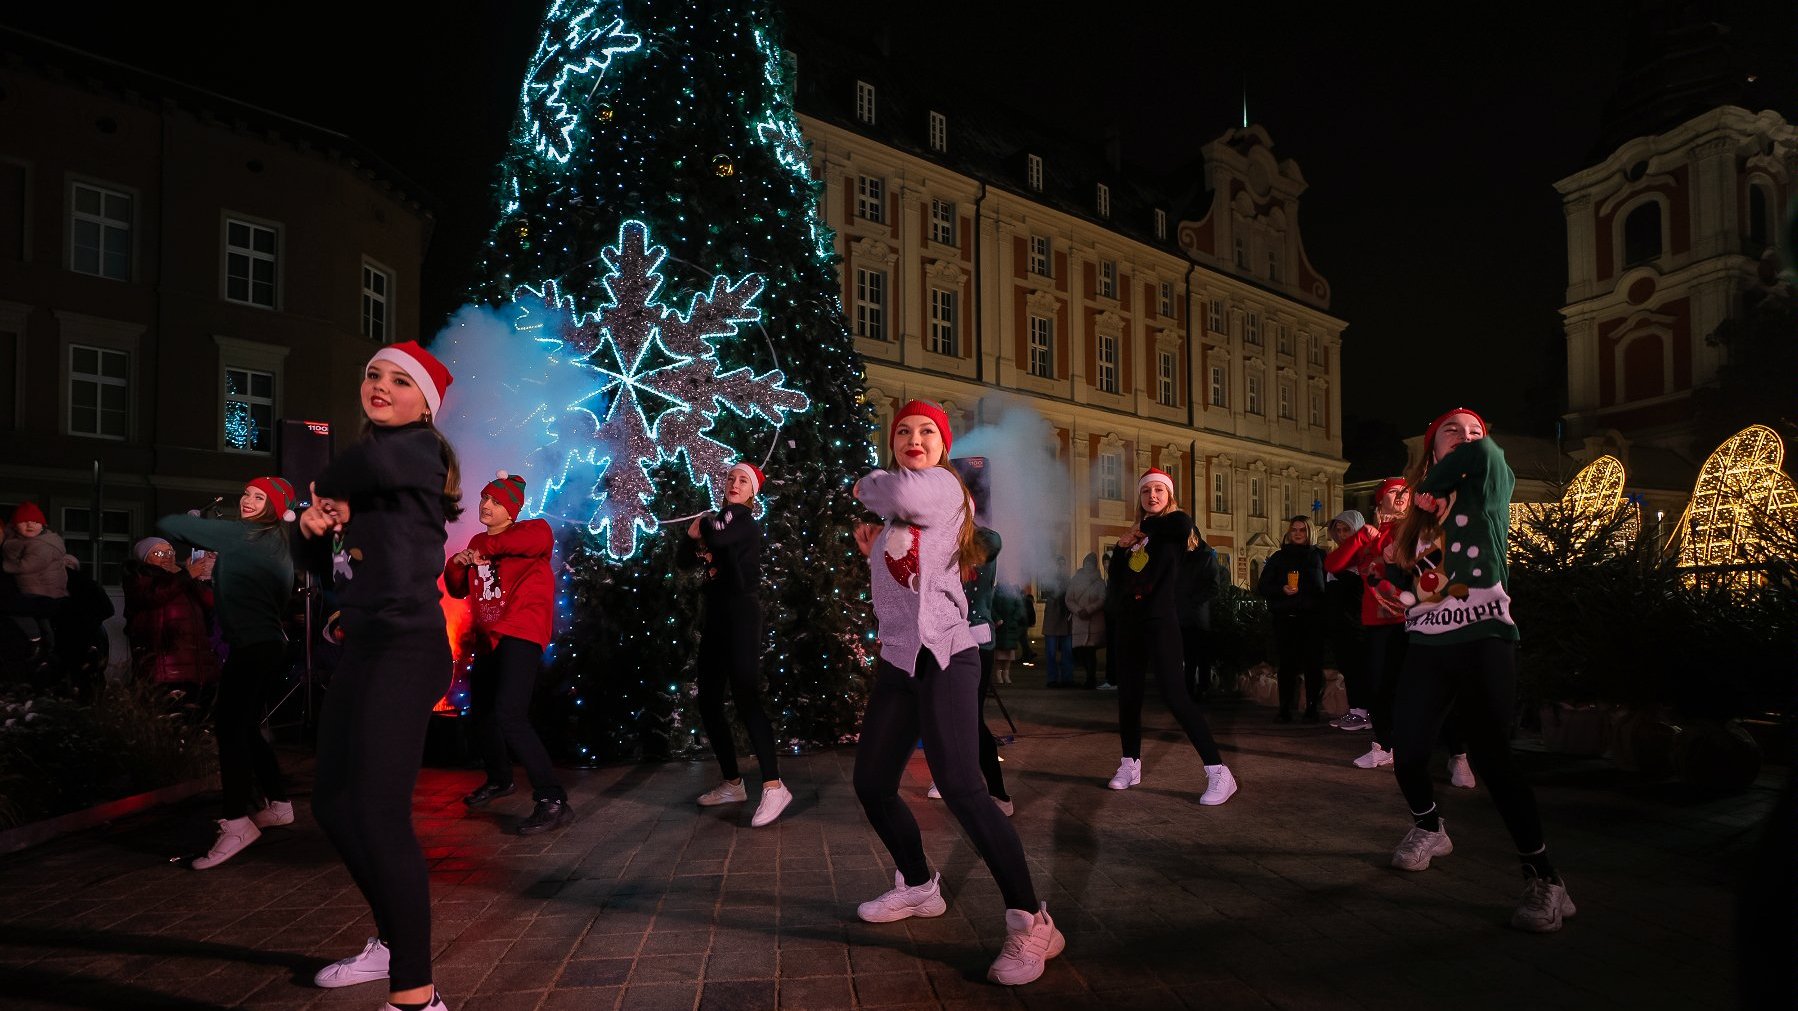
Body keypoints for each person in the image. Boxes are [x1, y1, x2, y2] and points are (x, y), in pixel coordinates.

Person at [850, 400, 1062, 986]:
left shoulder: (938, 489)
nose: (914, 439)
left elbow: (884, 492)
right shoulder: (897, 516)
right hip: (899, 660)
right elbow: (906, 569)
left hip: (946, 656)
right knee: (871, 783)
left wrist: (867, 483)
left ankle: (1032, 922)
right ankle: (919, 886)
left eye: (927, 432)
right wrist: (874, 543)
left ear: (943, 447)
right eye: (902, 431)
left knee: (966, 790)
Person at [299, 341, 460, 1009]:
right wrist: (311, 527)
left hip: (408, 648)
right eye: (373, 374)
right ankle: (395, 943)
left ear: (426, 403)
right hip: (365, 648)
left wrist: (329, 487)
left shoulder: (415, 450)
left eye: (400, 380)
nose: (382, 385)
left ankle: (417, 998)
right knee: (332, 801)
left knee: (379, 812)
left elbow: (366, 461)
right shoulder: (371, 479)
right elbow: (321, 572)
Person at [1383, 408, 1571, 932]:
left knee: (1493, 759)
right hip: (1427, 643)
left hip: (1484, 638)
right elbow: (1424, 579)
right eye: (1453, 430)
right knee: (1409, 751)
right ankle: (1430, 828)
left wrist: (1436, 479)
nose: (1468, 438)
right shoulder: (1419, 519)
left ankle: (1545, 879)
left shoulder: (1485, 487)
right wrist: (1402, 595)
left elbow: (1488, 454)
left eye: (1474, 430)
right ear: (1432, 446)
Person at [159, 478, 299, 869]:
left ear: (275, 507)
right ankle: (279, 803)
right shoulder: (274, 543)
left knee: (229, 728)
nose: (249, 501)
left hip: (254, 646)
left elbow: (169, 523)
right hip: (267, 644)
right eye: (248, 494)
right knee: (246, 725)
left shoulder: (245, 535)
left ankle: (237, 821)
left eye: (261, 498)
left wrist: (199, 519)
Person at [444, 472, 572, 835]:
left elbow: (533, 539)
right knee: (482, 712)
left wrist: (481, 550)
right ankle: (500, 779)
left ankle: (553, 800)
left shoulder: (534, 532)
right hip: (490, 638)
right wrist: (458, 562)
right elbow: (456, 588)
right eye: (485, 498)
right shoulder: (477, 540)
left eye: (496, 501)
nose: (486, 505)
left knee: (510, 715)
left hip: (521, 631)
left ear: (512, 511)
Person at [1103, 469, 1237, 805]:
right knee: (1128, 696)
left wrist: (1140, 531)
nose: (1152, 496)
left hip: (1161, 621)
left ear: (1169, 495)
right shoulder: (1137, 537)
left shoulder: (1173, 528)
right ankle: (1129, 763)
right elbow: (1116, 580)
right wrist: (1121, 549)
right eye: (1146, 491)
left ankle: (1219, 771)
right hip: (1131, 623)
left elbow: (1181, 525)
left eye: (1159, 490)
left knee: (1175, 696)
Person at [677, 460, 791, 828]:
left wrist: (702, 527)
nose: (734, 483)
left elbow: (719, 536)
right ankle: (732, 783)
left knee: (745, 695)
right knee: (709, 700)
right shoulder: (718, 520)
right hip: (716, 616)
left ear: (752, 492)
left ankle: (774, 786)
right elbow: (683, 560)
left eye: (742, 480)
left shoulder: (740, 519)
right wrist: (691, 537)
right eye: (730, 478)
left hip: (742, 614)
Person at [926, 524, 1013, 816]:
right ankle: (951, 777)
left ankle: (998, 793)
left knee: (970, 718)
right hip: (945, 639)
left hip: (976, 641)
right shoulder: (940, 538)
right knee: (944, 713)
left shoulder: (982, 539)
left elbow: (992, 543)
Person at [122, 537, 220, 702]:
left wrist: (200, 578)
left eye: (169, 552)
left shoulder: (183, 578)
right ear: (144, 558)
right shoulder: (140, 577)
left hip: (198, 668)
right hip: (165, 670)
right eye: (158, 552)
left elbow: (210, 602)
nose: (166, 556)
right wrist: (186, 575)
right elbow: (154, 595)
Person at [1256, 516, 1327, 722]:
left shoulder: (1318, 556)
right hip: (1285, 617)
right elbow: (1263, 585)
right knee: (1286, 665)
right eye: (1294, 530)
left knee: (1312, 665)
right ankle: (1285, 708)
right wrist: (1281, 589)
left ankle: (1312, 708)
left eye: (1302, 530)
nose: (1297, 534)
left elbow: (1324, 588)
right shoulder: (1279, 557)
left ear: (1309, 532)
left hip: (1311, 619)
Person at [2, 503, 71, 658]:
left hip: (46, 592)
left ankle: (42, 644)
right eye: (24, 521)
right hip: (30, 590)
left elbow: (28, 565)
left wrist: (5, 566)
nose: (30, 525)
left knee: (33, 617)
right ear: (14, 525)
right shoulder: (15, 541)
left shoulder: (44, 544)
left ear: (43, 524)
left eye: (35, 521)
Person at [1323, 511, 1369, 729]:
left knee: (1360, 667)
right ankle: (1356, 711)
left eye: (1346, 530)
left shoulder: (1365, 554)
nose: (1341, 535)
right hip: (1339, 623)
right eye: (1338, 530)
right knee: (1349, 668)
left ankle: (1364, 713)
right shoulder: (1338, 554)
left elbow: (1362, 591)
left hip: (1358, 622)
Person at [1177, 529, 1221, 700]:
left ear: (1195, 539)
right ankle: (1187, 690)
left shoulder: (1207, 557)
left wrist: (1194, 599)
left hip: (1198, 616)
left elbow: (1214, 587)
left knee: (1200, 656)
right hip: (1181, 614)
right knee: (1187, 657)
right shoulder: (1182, 558)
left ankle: (1203, 688)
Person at [1064, 553, 1106, 689]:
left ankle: (1091, 678)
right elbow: (1069, 599)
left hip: (1093, 622)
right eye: (1086, 563)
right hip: (1079, 622)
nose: (1088, 565)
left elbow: (1102, 599)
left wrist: (1088, 609)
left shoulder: (1099, 582)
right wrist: (1078, 610)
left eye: (1091, 563)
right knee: (1080, 651)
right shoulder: (1075, 580)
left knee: (1090, 652)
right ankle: (1088, 676)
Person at [1038, 558, 1074, 688]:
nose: (1061, 567)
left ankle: (1066, 678)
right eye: (1059, 565)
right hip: (1054, 619)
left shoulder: (1068, 580)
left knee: (1066, 652)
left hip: (1063, 619)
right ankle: (1054, 678)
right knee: (1052, 653)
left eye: (1062, 565)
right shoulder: (1050, 579)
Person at [990, 582, 1028, 686]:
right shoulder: (996, 591)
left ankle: (1006, 673)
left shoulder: (1014, 590)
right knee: (999, 653)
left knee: (1009, 653)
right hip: (1000, 626)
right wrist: (997, 618)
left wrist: (1014, 619)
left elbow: (1020, 607)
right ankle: (999, 674)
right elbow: (991, 606)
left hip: (1010, 626)